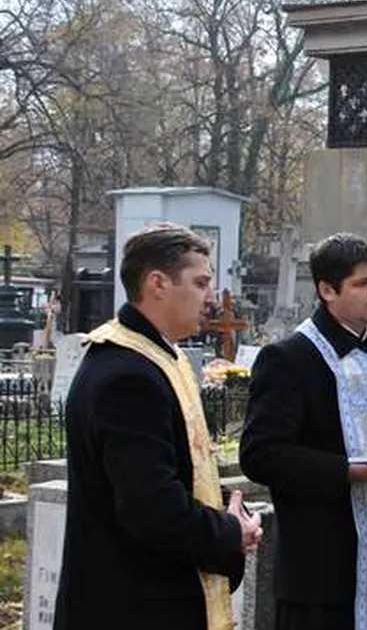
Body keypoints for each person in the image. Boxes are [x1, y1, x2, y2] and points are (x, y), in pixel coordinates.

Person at [54, 223, 262, 630]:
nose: (211, 299)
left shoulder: (158, 357)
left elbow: (179, 467)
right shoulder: (127, 376)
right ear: (157, 284)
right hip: (132, 605)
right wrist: (228, 533)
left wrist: (228, 510)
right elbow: (150, 507)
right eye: (200, 283)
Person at [240, 233, 367, 630]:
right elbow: (261, 455)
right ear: (327, 289)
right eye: (363, 283)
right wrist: (346, 470)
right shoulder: (289, 359)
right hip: (325, 566)